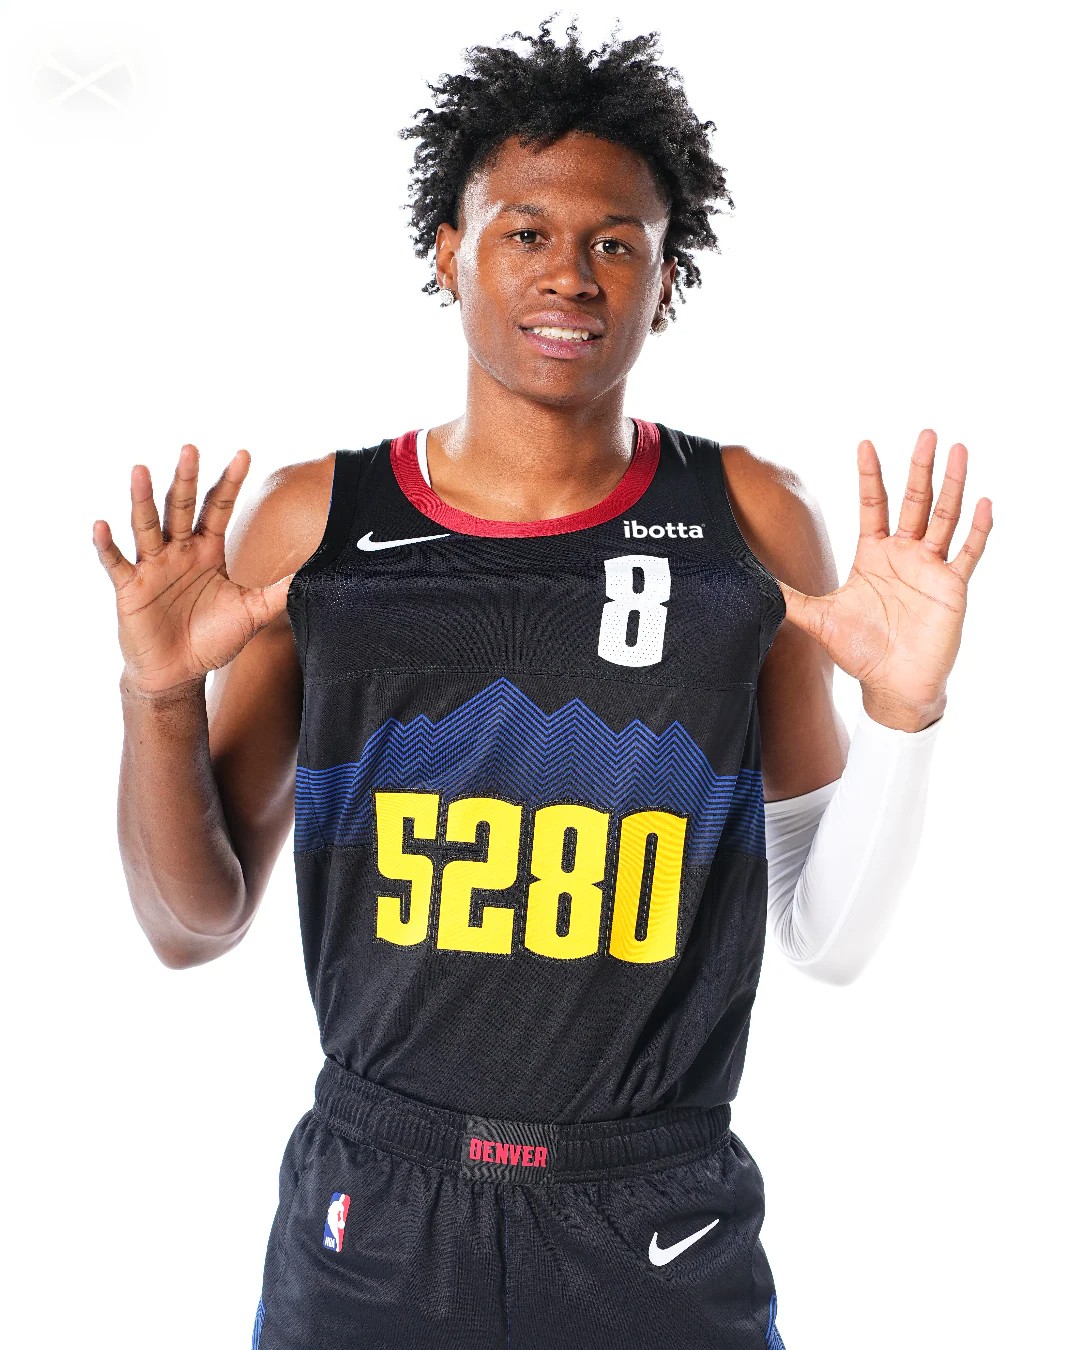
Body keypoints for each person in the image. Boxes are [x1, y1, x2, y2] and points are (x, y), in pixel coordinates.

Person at [92, 19, 991, 1350]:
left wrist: (906, 719)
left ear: (665, 279)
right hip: (379, 1207)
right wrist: (158, 695)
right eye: (526, 232)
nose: (570, 273)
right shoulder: (314, 524)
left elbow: (828, 938)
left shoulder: (748, 520)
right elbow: (191, 925)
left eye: (616, 243)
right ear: (448, 251)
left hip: (654, 1212)